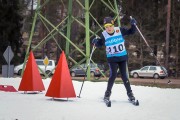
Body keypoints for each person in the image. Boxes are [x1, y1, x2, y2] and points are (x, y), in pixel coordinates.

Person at [92, 16, 137, 101]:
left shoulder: (119, 30)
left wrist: (133, 25)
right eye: (106, 26)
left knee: (124, 76)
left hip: (122, 57)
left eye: (110, 26)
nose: (108, 28)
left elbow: (131, 31)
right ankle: (107, 94)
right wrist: (95, 42)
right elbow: (100, 44)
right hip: (112, 58)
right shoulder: (104, 34)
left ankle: (130, 93)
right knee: (113, 75)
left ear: (113, 25)